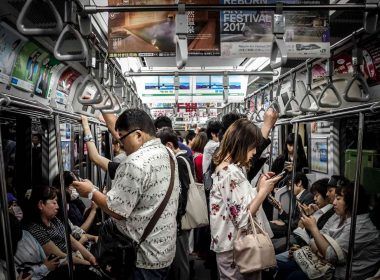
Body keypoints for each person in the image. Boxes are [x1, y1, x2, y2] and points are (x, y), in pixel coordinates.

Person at [72, 109, 180, 279]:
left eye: (122, 137)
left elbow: (117, 211)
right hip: (163, 249)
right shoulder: (167, 153)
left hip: (141, 256)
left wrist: (91, 192)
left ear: (138, 135)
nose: (120, 144)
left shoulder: (135, 163)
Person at [210, 119, 283, 279]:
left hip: (231, 247)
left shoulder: (232, 169)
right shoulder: (230, 172)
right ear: (242, 143)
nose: (256, 152)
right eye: (253, 146)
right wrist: (263, 192)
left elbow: (239, 201)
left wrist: (258, 187)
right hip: (236, 249)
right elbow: (243, 218)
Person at [276, 182, 380, 280]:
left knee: (293, 276)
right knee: (282, 268)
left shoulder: (360, 227)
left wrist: (313, 229)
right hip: (324, 265)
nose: (334, 203)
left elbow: (331, 255)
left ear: (351, 202)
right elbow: (315, 240)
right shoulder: (338, 216)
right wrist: (323, 249)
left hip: (339, 275)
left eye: (338, 199)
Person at [24, 186, 97, 266]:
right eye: (54, 203)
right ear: (41, 204)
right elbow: (59, 255)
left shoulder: (55, 220)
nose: (57, 207)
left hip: (74, 257)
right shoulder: (35, 229)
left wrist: (90, 257)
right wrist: (87, 263)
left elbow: (72, 241)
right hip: (64, 264)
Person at [156, 127, 192, 280]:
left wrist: (175, 219)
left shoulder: (179, 161)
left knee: (180, 261)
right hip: (177, 221)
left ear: (169, 146)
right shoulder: (183, 158)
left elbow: (182, 194)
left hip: (179, 222)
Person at [270, 172, 314, 238]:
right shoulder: (300, 196)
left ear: (299, 183)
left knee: (268, 227)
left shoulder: (308, 197)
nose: (290, 189)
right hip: (291, 227)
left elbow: (299, 222)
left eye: (291, 185)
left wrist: (285, 223)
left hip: (294, 231)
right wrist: (280, 209)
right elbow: (293, 219)